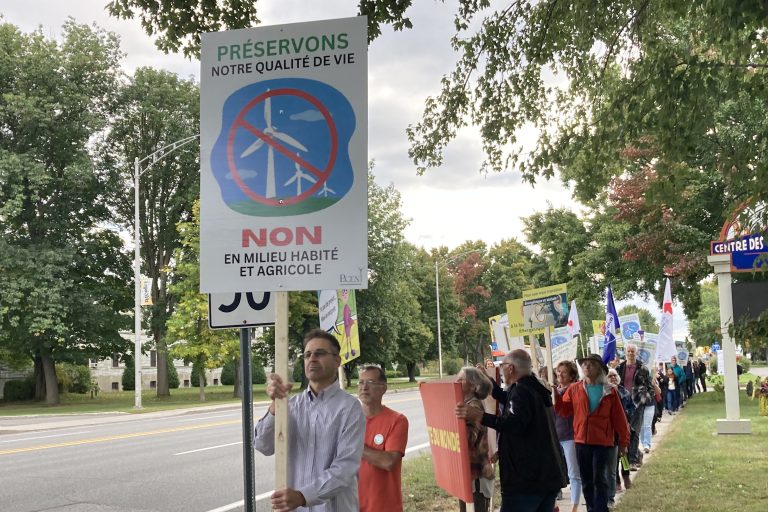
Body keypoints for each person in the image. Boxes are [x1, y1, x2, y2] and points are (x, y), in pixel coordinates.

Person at [254, 329, 365, 512]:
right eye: (307, 355)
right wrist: (275, 405)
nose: (312, 359)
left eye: (319, 353)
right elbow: (263, 445)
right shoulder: (290, 405)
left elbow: (345, 468)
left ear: (337, 361)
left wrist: (303, 496)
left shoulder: (349, 408)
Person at [456, 349, 567, 512]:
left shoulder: (521, 391)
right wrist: (488, 380)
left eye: (502, 366)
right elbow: (508, 400)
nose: (501, 370)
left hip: (528, 479)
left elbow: (515, 424)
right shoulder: (533, 388)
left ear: (510, 368)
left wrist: (480, 416)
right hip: (547, 474)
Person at [555, 354, 630, 512]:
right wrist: (555, 395)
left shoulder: (610, 391)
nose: (587, 366)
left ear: (600, 369)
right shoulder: (574, 389)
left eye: (591, 364)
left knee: (599, 478)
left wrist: (623, 442)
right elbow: (564, 411)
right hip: (581, 441)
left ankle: (601, 509)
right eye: (584, 364)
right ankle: (591, 508)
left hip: (602, 442)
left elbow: (619, 419)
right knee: (587, 481)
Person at [357, 366, 409, 512]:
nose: (364, 387)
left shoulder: (397, 420)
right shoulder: (348, 419)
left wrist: (353, 443)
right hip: (350, 505)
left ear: (383, 388)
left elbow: (388, 462)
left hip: (384, 507)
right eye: (361, 382)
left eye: (370, 382)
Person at [456, 367, 495, 512]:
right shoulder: (466, 404)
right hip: (470, 474)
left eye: (461, 379)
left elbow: (468, 439)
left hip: (477, 476)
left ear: (473, 386)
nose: (456, 382)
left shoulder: (473, 406)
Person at [616, 343, 655, 457]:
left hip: (637, 404)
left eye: (632, 351)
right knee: (624, 430)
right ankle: (634, 455)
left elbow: (650, 388)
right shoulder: (620, 368)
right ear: (625, 352)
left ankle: (632, 458)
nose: (630, 353)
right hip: (623, 403)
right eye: (628, 351)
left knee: (634, 431)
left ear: (636, 353)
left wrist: (644, 399)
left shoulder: (643, 368)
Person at [554, 360, 582, 512]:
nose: (560, 374)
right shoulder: (555, 390)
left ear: (572, 375)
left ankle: (574, 505)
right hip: (556, 435)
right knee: (555, 471)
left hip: (570, 435)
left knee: (574, 472)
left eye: (563, 371)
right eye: (558, 371)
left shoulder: (574, 389)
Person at [605, 368, 632, 509]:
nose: (613, 378)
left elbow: (631, 408)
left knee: (624, 456)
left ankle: (626, 475)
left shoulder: (624, 392)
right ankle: (616, 482)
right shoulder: (606, 392)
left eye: (615, 375)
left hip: (624, 428)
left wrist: (628, 419)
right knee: (613, 462)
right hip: (611, 432)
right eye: (610, 376)